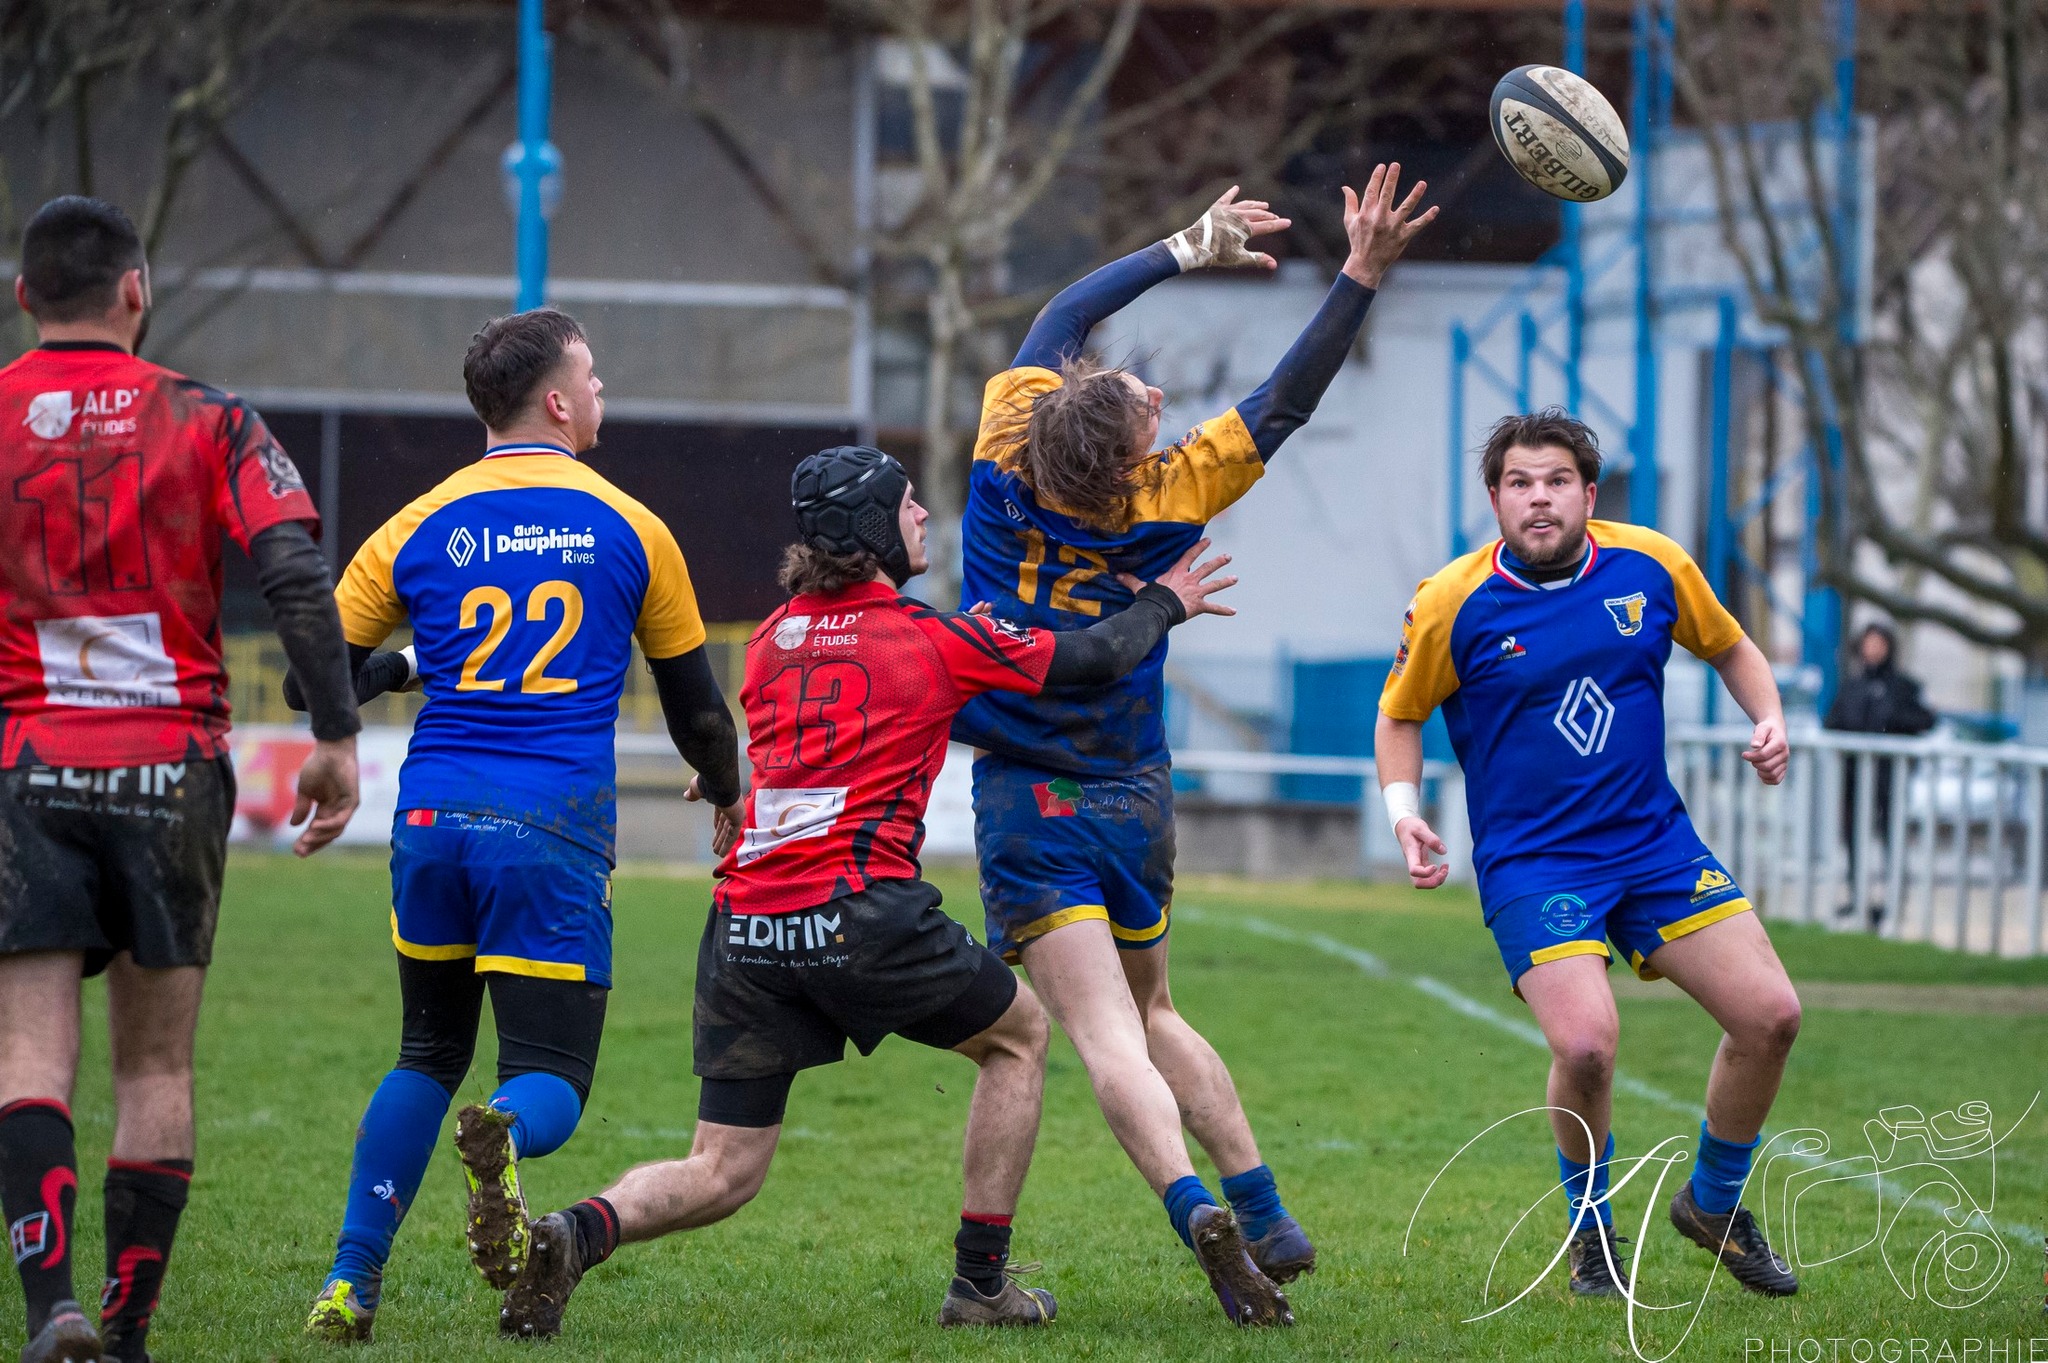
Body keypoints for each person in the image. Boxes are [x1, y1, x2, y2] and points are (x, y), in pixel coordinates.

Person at [496, 445, 1239, 1340]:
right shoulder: (934, 639)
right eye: (909, 505)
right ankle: (980, 1284)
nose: (924, 516)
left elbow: (784, 760)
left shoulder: (771, 641)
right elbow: (1093, 655)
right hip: (859, 911)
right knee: (1021, 1036)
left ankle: (576, 1231)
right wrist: (1168, 599)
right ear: (870, 532)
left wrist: (731, 788)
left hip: (746, 928)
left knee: (724, 1168)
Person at [949, 167, 1436, 1323]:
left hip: (1033, 795)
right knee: (1155, 1008)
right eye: (1143, 398)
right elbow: (1285, 400)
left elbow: (1060, 317)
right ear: (1127, 457)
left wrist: (1181, 245)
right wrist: (1359, 275)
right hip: (1135, 785)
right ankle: (1260, 1203)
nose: (1152, 391)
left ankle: (1193, 1213)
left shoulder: (1004, 445)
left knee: (1095, 1032)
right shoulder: (1171, 493)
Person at [298, 308, 744, 1343]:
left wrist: (417, 663)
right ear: (554, 399)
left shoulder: (418, 522)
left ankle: (347, 1283)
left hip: (431, 819)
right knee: (551, 1076)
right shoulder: (633, 526)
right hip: (550, 827)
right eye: (592, 376)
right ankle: (502, 1131)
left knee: (424, 1050)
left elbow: (312, 677)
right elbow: (697, 713)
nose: (601, 394)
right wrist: (724, 785)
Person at [0, 196, 362, 1363]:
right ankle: (127, 1328)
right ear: (136, 291)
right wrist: (334, 732)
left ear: (23, 299)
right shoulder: (210, 419)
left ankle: (48, 1306)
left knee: (30, 1057)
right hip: (169, 766)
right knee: (154, 1063)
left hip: (26, 761)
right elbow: (297, 574)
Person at [1376, 409, 1804, 1300]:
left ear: (1588, 493)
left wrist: (1767, 717)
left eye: (1557, 481)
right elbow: (1400, 715)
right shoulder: (1452, 600)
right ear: (1494, 498)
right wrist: (1404, 811)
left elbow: (1729, 644)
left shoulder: (1650, 563)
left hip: (1654, 845)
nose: (1540, 499)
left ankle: (1713, 1204)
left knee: (1771, 1016)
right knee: (1587, 1045)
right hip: (1537, 863)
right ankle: (1592, 1233)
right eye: (1521, 484)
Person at [1823, 622, 1935, 920]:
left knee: (1891, 838)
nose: (1873, 650)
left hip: (1890, 780)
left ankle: (1893, 901)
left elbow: (1925, 719)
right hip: (1855, 779)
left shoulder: (1904, 687)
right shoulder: (1852, 686)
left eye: (1879, 644)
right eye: (1868, 644)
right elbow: (1832, 721)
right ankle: (1858, 898)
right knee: (1854, 839)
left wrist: (1893, 721)